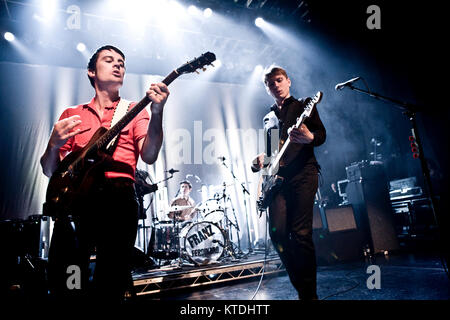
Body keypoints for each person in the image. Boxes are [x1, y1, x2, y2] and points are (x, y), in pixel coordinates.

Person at [40, 45, 169, 302]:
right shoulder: (73, 114)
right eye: (109, 60)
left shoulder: (135, 111)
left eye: (121, 62)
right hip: (77, 203)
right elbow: (49, 169)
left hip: (118, 199)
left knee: (110, 279)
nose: (118, 65)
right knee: (71, 275)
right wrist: (53, 145)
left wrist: (157, 113)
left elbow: (150, 155)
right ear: (91, 71)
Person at [251, 66, 326, 300]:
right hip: (279, 180)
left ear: (288, 81)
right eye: (270, 83)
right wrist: (261, 161)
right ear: (267, 88)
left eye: (279, 80)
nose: (276, 85)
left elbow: (321, 135)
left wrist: (309, 137)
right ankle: (303, 290)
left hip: (304, 174)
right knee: (278, 236)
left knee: (300, 233)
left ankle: (308, 295)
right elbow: (273, 152)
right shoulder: (269, 117)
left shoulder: (304, 106)